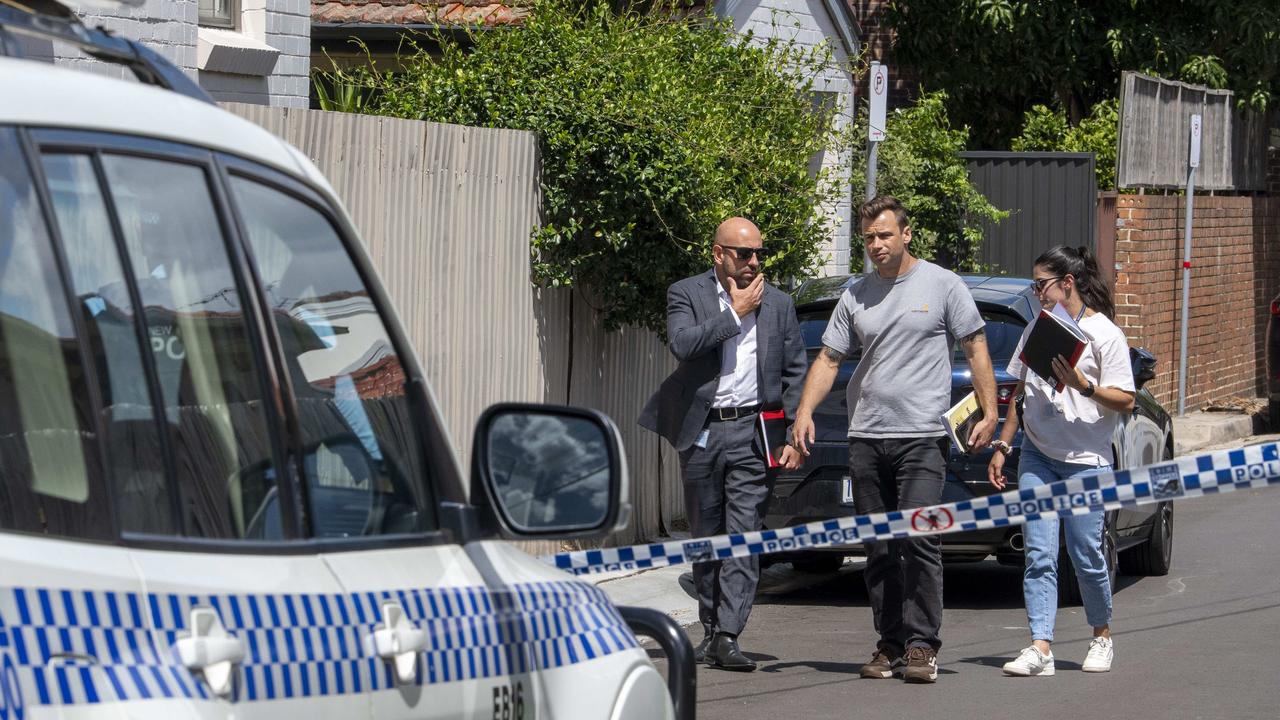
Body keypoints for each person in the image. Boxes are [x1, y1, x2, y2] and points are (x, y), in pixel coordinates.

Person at [791, 196, 997, 684]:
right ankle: (890, 643)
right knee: (879, 546)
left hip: (923, 437)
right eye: (868, 238)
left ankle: (923, 645)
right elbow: (828, 359)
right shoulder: (856, 294)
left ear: (906, 234)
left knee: (919, 539)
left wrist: (989, 410)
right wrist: (803, 412)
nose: (876, 245)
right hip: (866, 436)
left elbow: (976, 345)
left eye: (884, 235)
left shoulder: (943, 284)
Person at [639, 216, 807, 672]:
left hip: (753, 433)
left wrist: (794, 430)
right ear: (719, 254)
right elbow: (683, 343)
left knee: (743, 535)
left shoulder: (779, 304)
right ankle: (710, 630)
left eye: (758, 255)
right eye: (743, 254)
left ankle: (730, 634)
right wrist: (733, 313)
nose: (753, 263)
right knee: (705, 536)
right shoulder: (686, 293)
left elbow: (794, 370)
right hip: (702, 431)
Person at [988, 245, 1135, 677]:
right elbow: (1021, 391)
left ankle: (1101, 636)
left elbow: (1125, 400)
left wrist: (1082, 385)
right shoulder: (1037, 326)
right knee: (1038, 553)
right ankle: (1040, 647)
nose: (1036, 292)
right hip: (1037, 455)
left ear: (1066, 283)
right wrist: (1003, 445)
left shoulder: (1104, 334)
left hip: (1086, 460)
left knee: (1086, 553)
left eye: (1041, 284)